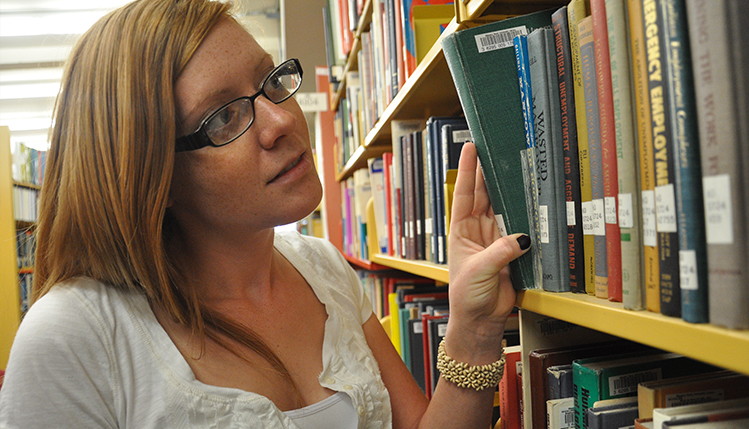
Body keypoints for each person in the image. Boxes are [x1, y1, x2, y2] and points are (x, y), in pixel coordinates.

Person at [0, 0, 532, 427]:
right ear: (148, 173)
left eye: (272, 82)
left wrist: (475, 329)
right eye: (225, 116)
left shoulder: (323, 269)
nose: (280, 120)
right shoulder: (72, 337)